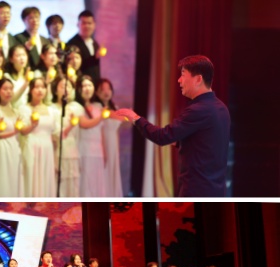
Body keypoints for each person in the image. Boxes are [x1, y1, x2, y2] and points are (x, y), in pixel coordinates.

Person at [114, 55, 231, 196]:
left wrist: (135, 118)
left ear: (198, 79)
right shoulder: (221, 108)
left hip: (197, 190)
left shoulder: (198, 110)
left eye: (183, 75)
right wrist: (176, 139)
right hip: (216, 190)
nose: (179, 80)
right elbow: (205, 144)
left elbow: (161, 137)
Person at [18, 77, 57, 197]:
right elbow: (22, 131)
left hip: (47, 148)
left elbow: (53, 133)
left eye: (43, 87)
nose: (40, 90)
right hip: (32, 145)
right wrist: (32, 125)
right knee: (32, 178)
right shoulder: (24, 108)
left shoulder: (51, 110)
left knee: (46, 179)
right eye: (37, 87)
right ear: (31, 90)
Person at [0, 79, 24, 197]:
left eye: (11, 89)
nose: (8, 92)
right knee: (4, 178)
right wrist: (14, 131)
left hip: (15, 146)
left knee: (15, 178)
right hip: (3, 147)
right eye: (5, 89)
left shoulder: (15, 111)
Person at [77, 75, 105, 196]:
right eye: (84, 86)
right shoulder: (77, 107)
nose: (87, 88)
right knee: (86, 181)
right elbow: (84, 124)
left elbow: (101, 132)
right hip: (84, 149)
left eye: (89, 85)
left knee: (96, 182)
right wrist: (101, 117)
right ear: (79, 89)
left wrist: (104, 152)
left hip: (97, 151)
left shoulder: (98, 107)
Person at [95, 78, 123, 197]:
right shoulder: (97, 108)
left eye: (108, 89)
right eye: (102, 89)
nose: (106, 92)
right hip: (102, 142)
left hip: (113, 144)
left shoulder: (115, 107)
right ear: (96, 92)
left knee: (113, 170)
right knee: (104, 170)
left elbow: (116, 129)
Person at [66, 11, 102, 82]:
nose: (87, 26)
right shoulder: (72, 43)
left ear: (94, 25)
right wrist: (94, 57)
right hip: (79, 83)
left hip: (94, 84)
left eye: (89, 23)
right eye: (84, 23)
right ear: (78, 24)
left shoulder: (95, 44)